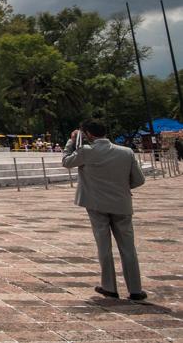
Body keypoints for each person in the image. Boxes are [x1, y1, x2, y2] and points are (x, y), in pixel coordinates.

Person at [63, 118, 147, 301]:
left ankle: (109, 286)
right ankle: (135, 289)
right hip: (122, 204)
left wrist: (71, 141)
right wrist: (120, 189)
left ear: (88, 134)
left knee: (104, 247)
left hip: (96, 205)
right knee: (128, 248)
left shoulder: (86, 152)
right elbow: (139, 180)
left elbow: (66, 161)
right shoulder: (126, 152)